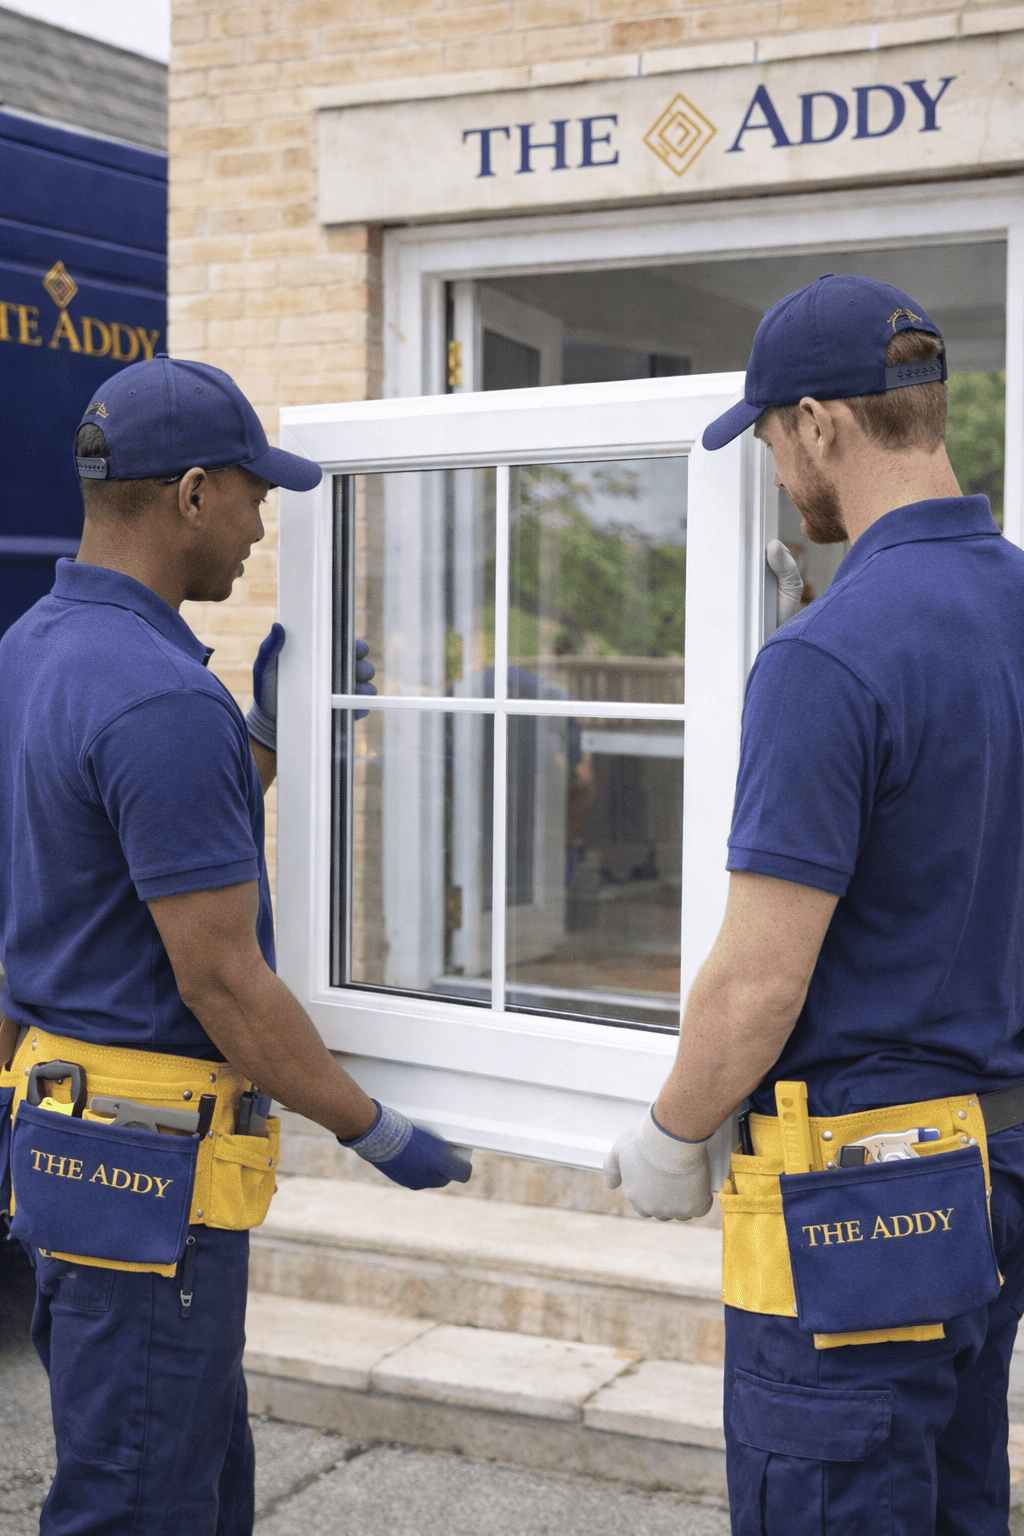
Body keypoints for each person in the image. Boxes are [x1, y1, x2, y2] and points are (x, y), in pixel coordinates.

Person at [0, 355, 471, 1536]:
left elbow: (92, 865)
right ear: (193, 494)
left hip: (70, 1146)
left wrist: (256, 742)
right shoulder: (159, 698)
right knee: (142, 1501)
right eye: (256, 495)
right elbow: (218, 976)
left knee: (190, 1482)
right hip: (150, 1173)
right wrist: (374, 1126)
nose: (265, 526)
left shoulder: (32, 653)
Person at [605, 274, 1024, 1534]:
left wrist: (672, 1137)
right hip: (1001, 1163)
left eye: (775, 437)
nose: (778, 467)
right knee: (956, 1501)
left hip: (860, 1194)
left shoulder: (826, 655)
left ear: (822, 425)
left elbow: (757, 983)